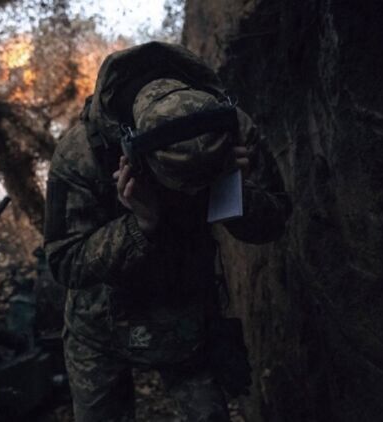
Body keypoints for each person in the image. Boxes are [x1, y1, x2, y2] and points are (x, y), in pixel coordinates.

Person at [43, 42, 291, 422]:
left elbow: (274, 220)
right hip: (99, 326)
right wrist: (139, 225)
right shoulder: (80, 156)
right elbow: (64, 260)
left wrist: (233, 193)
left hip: (186, 316)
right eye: (181, 184)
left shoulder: (229, 127)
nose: (191, 195)